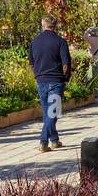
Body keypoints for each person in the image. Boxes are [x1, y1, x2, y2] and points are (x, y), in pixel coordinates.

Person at [29, 15, 72, 153]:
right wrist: (65, 78)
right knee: (52, 113)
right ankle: (43, 141)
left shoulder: (34, 42)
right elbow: (66, 64)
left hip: (41, 80)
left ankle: (54, 140)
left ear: (43, 25)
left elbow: (31, 63)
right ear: (55, 26)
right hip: (56, 81)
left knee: (49, 112)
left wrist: (36, 76)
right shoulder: (60, 42)